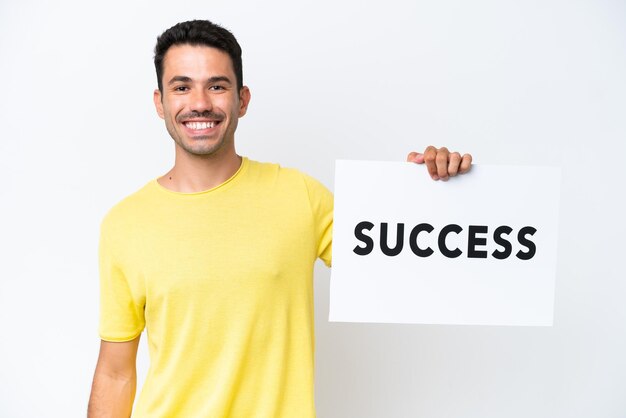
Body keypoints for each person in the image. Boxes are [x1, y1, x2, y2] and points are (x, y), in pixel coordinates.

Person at [87, 20, 472, 418]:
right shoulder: (125, 224)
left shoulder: (300, 196)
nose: (200, 102)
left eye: (217, 86)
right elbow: (116, 373)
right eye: (182, 87)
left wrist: (436, 190)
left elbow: (406, 260)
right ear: (159, 102)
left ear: (242, 100)